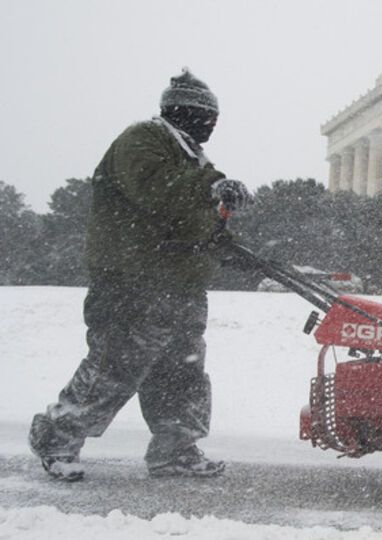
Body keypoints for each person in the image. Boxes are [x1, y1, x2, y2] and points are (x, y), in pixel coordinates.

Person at [28, 68, 251, 481]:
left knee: (180, 372)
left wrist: (224, 240)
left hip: (178, 286)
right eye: (206, 116)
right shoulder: (144, 140)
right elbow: (156, 189)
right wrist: (212, 187)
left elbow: (191, 219)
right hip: (132, 281)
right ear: (183, 111)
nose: (211, 126)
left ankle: (175, 451)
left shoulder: (190, 158)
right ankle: (57, 440)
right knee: (114, 367)